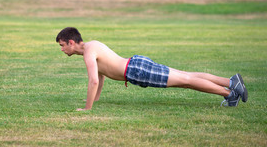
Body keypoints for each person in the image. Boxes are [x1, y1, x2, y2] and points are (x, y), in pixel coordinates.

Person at [56, 27, 248, 111]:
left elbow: (94, 80)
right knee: (186, 77)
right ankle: (230, 82)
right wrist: (95, 99)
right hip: (136, 65)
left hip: (136, 70)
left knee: (186, 81)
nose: (63, 50)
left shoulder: (89, 52)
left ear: (71, 42)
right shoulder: (92, 46)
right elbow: (102, 75)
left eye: (63, 46)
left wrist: (87, 108)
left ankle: (229, 92)